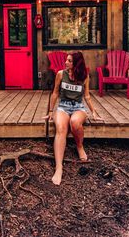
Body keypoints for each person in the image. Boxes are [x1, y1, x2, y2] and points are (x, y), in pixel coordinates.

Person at [48, 52, 100, 185]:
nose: (66, 62)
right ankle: (59, 168)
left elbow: (87, 96)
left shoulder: (84, 76)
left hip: (78, 107)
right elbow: (55, 92)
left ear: (76, 63)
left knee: (75, 122)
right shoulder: (61, 74)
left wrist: (93, 111)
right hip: (63, 106)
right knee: (61, 129)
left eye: (69, 61)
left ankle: (79, 146)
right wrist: (50, 111)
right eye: (66, 60)